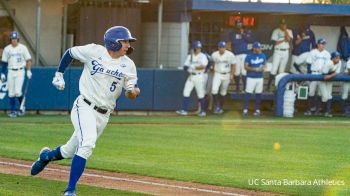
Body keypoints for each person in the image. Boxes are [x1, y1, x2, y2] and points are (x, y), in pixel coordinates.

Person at [30, 26, 140, 196]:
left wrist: (132, 92)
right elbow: (70, 53)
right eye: (124, 41)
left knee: (68, 151)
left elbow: (131, 92)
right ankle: (70, 190)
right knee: (87, 144)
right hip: (84, 106)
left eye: (128, 42)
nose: (128, 45)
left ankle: (45, 156)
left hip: (104, 115)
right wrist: (59, 74)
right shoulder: (94, 51)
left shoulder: (129, 65)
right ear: (113, 42)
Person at [0, 31, 32, 117]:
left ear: (18, 39)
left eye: (15, 39)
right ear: (10, 39)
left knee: (18, 92)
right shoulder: (7, 49)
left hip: (20, 71)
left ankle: (22, 108)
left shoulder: (23, 48)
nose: (14, 40)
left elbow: (28, 60)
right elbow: (4, 62)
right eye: (12, 39)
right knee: (11, 92)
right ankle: (13, 111)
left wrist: (28, 71)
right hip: (10, 71)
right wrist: (2, 73)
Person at [176, 40, 208, 117]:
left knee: (200, 94)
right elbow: (185, 66)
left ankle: (203, 111)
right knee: (186, 92)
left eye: (199, 48)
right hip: (191, 76)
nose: (198, 49)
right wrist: (188, 68)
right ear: (194, 48)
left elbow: (203, 66)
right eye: (197, 48)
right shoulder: (190, 56)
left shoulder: (202, 56)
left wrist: (194, 67)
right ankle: (184, 110)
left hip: (199, 76)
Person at [304, 38, 330, 116]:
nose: (323, 45)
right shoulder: (312, 52)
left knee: (321, 93)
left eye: (324, 44)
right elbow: (309, 64)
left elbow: (328, 66)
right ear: (318, 44)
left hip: (322, 75)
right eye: (321, 44)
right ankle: (309, 109)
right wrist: (309, 76)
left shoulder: (327, 53)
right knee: (311, 92)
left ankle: (318, 110)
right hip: (314, 73)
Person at [266, 18, 293, 91]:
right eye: (282, 24)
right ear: (279, 24)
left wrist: (285, 31)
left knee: (281, 71)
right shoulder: (276, 31)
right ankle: (268, 87)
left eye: (284, 24)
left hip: (285, 52)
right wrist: (284, 39)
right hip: (277, 51)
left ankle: (278, 87)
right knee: (274, 69)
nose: (283, 25)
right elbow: (275, 43)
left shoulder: (289, 31)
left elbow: (289, 40)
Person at [227, 20, 253, 93]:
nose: (239, 27)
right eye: (238, 25)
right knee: (237, 72)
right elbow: (229, 43)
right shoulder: (232, 33)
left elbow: (250, 40)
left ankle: (245, 88)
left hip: (245, 54)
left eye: (240, 25)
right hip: (236, 54)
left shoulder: (246, 32)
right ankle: (237, 88)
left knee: (244, 72)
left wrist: (242, 33)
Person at [211, 41, 236, 114]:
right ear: (218, 48)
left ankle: (221, 107)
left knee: (223, 92)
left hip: (227, 74)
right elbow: (213, 62)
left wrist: (232, 74)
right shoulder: (214, 54)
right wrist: (213, 72)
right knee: (214, 90)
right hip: (218, 73)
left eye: (223, 47)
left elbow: (233, 65)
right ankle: (216, 106)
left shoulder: (230, 55)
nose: (222, 49)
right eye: (220, 47)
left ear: (225, 48)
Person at [242, 42, 266, 117]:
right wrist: (254, 69)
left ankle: (257, 110)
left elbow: (265, 65)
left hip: (260, 77)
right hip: (251, 77)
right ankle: (245, 110)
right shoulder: (249, 56)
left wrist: (261, 68)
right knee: (248, 93)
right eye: (257, 48)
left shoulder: (263, 55)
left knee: (258, 94)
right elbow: (245, 67)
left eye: (259, 48)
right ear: (254, 48)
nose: (258, 49)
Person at [320, 51, 341, 117]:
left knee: (329, 95)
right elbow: (324, 75)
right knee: (325, 96)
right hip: (321, 78)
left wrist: (331, 76)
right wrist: (331, 75)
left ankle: (327, 112)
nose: (338, 59)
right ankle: (320, 110)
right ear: (332, 58)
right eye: (336, 57)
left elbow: (337, 72)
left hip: (330, 78)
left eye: (338, 57)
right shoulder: (328, 63)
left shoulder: (339, 62)